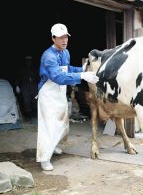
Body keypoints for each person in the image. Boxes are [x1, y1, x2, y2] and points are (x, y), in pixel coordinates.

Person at [36, 23, 98, 171]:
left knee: (62, 121)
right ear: (53, 38)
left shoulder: (65, 53)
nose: (64, 40)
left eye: (66, 37)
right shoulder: (48, 56)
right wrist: (82, 75)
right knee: (49, 125)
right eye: (60, 37)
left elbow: (67, 69)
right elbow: (58, 76)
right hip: (49, 92)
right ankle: (44, 158)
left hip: (59, 91)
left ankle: (54, 146)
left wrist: (81, 69)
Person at [15, 55, 39, 120]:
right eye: (27, 61)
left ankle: (35, 115)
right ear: (25, 61)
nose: (28, 62)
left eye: (30, 60)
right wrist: (17, 86)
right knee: (26, 101)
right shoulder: (21, 69)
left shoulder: (35, 68)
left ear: (31, 61)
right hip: (25, 87)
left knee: (35, 101)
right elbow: (17, 77)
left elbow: (39, 78)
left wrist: (40, 86)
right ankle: (28, 117)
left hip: (34, 87)